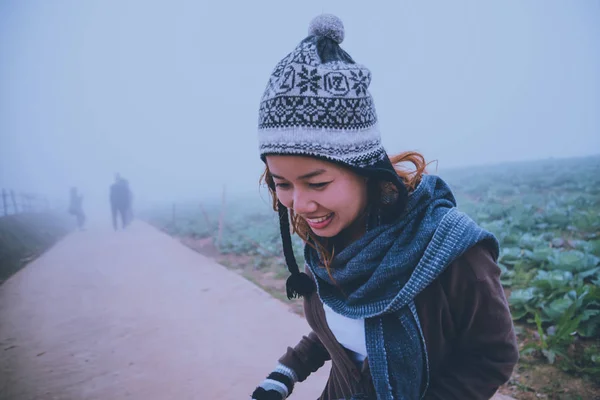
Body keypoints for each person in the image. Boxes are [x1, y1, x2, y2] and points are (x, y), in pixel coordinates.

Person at [250, 14, 518, 400]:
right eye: (282, 184)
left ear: (367, 170)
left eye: (318, 182)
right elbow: (342, 324)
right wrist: (284, 372)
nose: (301, 204)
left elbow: (493, 355)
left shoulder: (453, 254)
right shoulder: (326, 240)